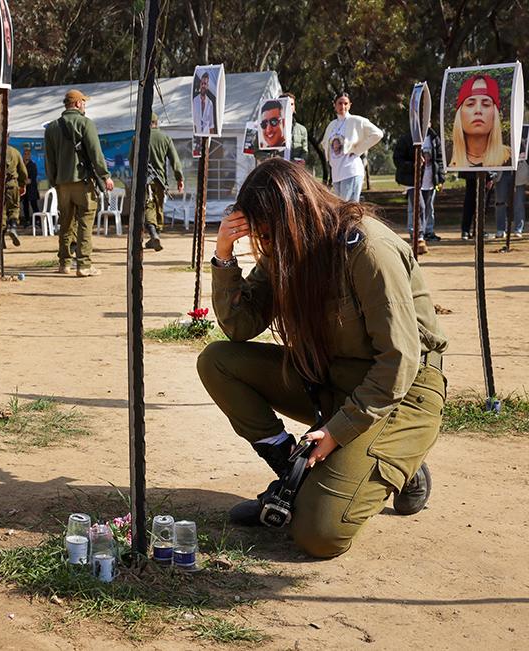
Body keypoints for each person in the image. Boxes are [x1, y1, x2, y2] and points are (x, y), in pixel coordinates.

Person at [197, 158, 447, 558]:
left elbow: (399, 362)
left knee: (318, 534)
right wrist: (225, 255)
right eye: (259, 234)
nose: (266, 243)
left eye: (268, 231)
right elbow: (240, 327)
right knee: (218, 361)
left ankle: (403, 462)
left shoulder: (367, 248)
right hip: (331, 379)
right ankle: (291, 478)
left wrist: (335, 432)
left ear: (297, 214)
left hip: (400, 395)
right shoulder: (288, 248)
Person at [44, 89, 114, 277]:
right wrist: (105, 176)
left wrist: (54, 181)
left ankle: (64, 263)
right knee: (85, 221)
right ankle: (83, 264)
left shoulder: (51, 128)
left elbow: (49, 159)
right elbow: (95, 153)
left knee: (65, 222)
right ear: (76, 104)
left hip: (62, 184)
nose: (85, 105)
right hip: (82, 182)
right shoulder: (85, 123)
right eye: (84, 102)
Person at [128, 113, 184, 251]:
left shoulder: (137, 138)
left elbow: (131, 160)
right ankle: (156, 234)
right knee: (158, 207)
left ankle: (153, 234)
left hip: (144, 180)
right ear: (156, 122)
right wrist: (179, 178)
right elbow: (175, 160)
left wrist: (138, 173)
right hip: (160, 180)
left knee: (148, 206)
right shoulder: (165, 138)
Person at [321, 92, 383, 202]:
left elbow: (377, 134)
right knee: (340, 208)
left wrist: (358, 149)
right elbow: (325, 143)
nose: (342, 106)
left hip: (351, 171)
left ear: (350, 105)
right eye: (340, 103)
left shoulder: (356, 120)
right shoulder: (332, 125)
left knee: (348, 210)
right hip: (336, 174)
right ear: (334, 105)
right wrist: (330, 160)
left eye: (345, 103)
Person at [393, 126, 446, 253]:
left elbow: (440, 159)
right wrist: (413, 164)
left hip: (429, 180)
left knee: (427, 209)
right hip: (413, 180)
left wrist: (440, 178)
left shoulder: (434, 139)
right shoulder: (407, 138)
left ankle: (422, 234)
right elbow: (398, 159)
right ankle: (418, 236)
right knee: (419, 207)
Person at [449, 74, 511, 169]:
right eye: (470, 104)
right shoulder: (447, 158)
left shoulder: (511, 158)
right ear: (459, 114)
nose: (478, 110)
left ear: (495, 114)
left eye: (486, 104)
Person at [0, 143, 27, 248]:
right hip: (13, 186)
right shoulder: (15, 152)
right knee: (14, 208)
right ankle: (13, 227)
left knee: (0, 213)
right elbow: (23, 172)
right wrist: (22, 185)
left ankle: (1, 240)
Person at [255, 93, 308, 165]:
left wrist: (302, 160)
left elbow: (304, 152)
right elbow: (258, 151)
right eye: (287, 104)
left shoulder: (302, 130)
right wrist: (270, 160)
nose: (290, 107)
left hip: (292, 170)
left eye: (292, 104)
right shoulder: (264, 129)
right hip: (274, 170)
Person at [494, 160, 527, 238]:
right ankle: (500, 229)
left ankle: (518, 229)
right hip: (501, 171)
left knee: (518, 203)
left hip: (519, 170)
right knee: (500, 203)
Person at [21, 146, 40, 226]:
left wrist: (24, 181)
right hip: (24, 189)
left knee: (34, 205)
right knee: (25, 205)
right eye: (25, 154)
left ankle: (38, 221)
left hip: (32, 189)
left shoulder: (33, 165)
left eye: (28, 154)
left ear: (30, 155)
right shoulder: (21, 165)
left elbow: (31, 179)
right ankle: (27, 221)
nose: (26, 155)